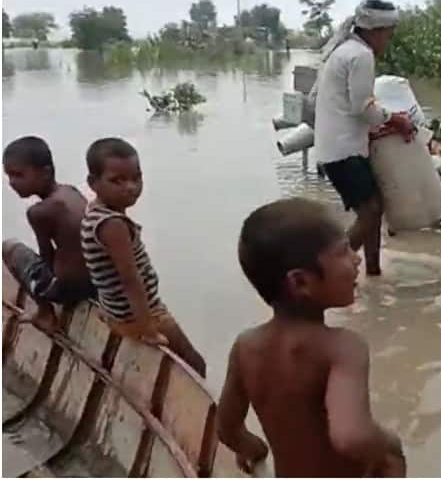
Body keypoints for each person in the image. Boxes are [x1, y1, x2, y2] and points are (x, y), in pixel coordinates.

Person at [217, 198, 406, 477]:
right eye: (343, 252)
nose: (356, 258)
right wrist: (391, 444)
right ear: (300, 282)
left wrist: (254, 449)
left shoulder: (245, 347)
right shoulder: (342, 348)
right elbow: (351, 436)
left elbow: (227, 429)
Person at [80, 137, 206, 377]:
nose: (130, 187)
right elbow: (130, 278)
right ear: (93, 183)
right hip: (142, 316)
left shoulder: (95, 212)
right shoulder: (113, 224)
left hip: (117, 311)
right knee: (196, 364)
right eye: (117, 181)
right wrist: (148, 328)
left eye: (136, 178)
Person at [312, 0, 414, 276]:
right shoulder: (361, 56)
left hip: (336, 147)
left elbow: (349, 107)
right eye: (388, 35)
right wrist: (396, 119)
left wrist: (378, 125)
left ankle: (373, 272)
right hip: (343, 151)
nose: (388, 42)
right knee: (370, 212)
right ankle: (331, 273)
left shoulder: (345, 50)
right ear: (376, 31)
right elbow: (362, 107)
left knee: (372, 209)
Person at [2, 136, 95, 332]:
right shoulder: (70, 191)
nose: (12, 183)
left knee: (9, 248)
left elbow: (46, 256)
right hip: (95, 284)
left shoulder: (39, 212)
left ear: (45, 173)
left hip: (69, 289)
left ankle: (45, 313)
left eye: (18, 175)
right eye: (9, 176)